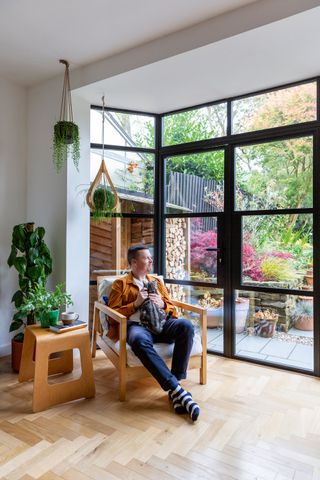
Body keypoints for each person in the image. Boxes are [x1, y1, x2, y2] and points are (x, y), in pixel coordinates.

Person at [107, 245, 200, 421]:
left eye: (150, 257)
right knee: (138, 341)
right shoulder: (120, 284)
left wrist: (162, 305)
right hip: (138, 326)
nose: (150, 260)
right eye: (146, 258)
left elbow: (172, 308)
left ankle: (175, 387)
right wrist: (135, 304)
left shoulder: (156, 283)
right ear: (134, 262)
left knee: (186, 326)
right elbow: (113, 315)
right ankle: (177, 390)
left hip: (162, 323)